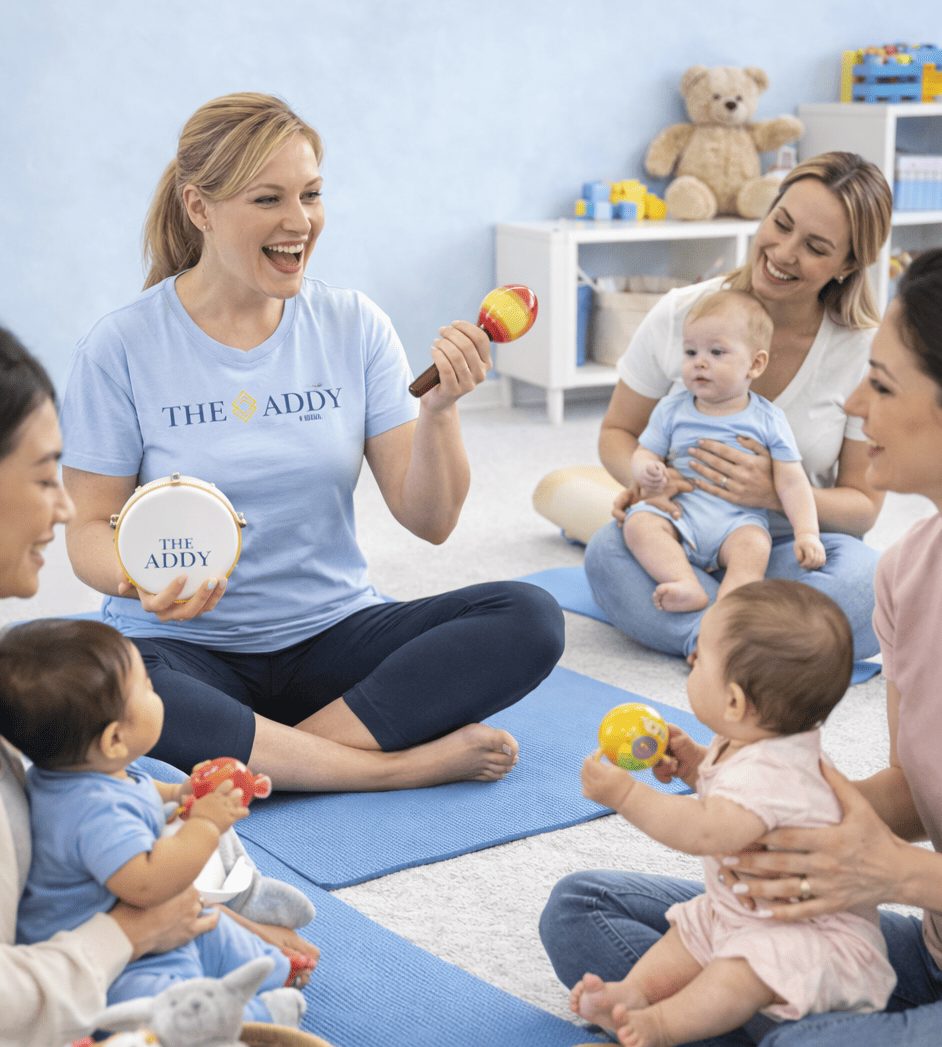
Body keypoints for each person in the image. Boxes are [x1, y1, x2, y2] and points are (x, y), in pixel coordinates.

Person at [540, 245, 942, 1047]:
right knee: (592, 913)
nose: (855, 413)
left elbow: (902, 857)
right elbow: (926, 782)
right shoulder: (914, 570)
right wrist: (745, 791)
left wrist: (892, 876)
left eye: (878, 385)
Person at [59, 93, 564, 789]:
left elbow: (432, 522)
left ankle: (268, 764)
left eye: (312, 195)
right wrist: (138, 581)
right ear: (198, 208)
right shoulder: (121, 346)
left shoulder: (353, 325)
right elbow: (87, 526)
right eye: (268, 199)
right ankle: (390, 769)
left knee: (530, 618)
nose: (300, 223)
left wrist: (442, 412)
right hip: (182, 649)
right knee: (101, 680)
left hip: (332, 639)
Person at [0, 314, 314, 1047]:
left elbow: (81, 804)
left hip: (87, 922)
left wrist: (190, 856)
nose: (65, 508)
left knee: (180, 802)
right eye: (45, 477)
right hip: (55, 992)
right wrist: (129, 931)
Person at [584, 151, 892, 660]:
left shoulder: (862, 351)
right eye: (782, 223)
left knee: (867, 581)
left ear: (849, 265)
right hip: (681, 532)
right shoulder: (683, 315)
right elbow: (617, 432)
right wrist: (643, 481)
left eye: (815, 247)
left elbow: (862, 508)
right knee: (608, 552)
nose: (784, 252)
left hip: (778, 544)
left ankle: (713, 638)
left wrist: (774, 494)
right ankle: (741, 644)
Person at [571, 584, 894, 1047]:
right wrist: (696, 764)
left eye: (700, 659)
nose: (689, 662)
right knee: (694, 929)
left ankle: (661, 1024)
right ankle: (633, 993)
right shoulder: (752, 742)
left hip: (812, 938)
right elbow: (738, 803)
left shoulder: (774, 771)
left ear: (736, 703)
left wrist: (625, 794)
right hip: (746, 911)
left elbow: (707, 829)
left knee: (741, 968)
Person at [0, 619, 312, 1019]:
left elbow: (140, 790)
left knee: (216, 932)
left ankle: (273, 970)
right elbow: (147, 883)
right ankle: (256, 1018)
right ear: (115, 740)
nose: (157, 695)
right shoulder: (92, 811)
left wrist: (180, 793)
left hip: (155, 922)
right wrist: (205, 825)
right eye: (149, 689)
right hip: (125, 956)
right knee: (166, 1006)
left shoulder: (89, 772)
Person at [625, 289, 824, 613]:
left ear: (755, 364)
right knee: (637, 525)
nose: (700, 362)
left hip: (738, 525)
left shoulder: (768, 419)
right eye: (690, 352)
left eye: (717, 352)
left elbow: (792, 482)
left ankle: (725, 616)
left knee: (755, 549)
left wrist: (808, 534)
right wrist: (645, 469)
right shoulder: (671, 409)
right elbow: (645, 452)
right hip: (681, 516)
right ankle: (685, 582)